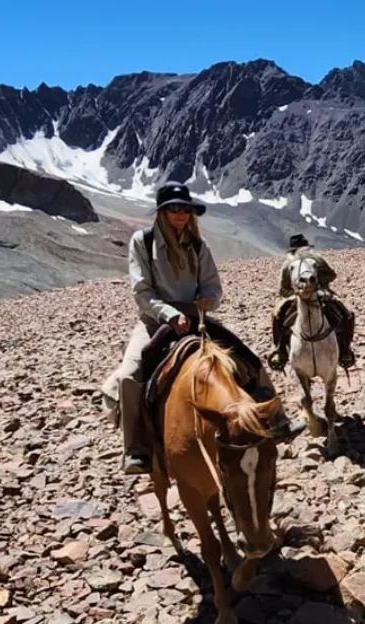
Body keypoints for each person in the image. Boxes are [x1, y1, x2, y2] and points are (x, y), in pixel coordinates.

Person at [101, 182, 276, 475]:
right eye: (174, 209)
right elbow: (142, 292)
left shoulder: (198, 244)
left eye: (186, 209)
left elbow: (213, 285)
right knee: (131, 375)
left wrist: (209, 299)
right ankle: (136, 449)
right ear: (162, 212)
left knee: (247, 356)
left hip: (197, 318)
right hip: (155, 321)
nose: (181, 214)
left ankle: (272, 418)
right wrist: (169, 314)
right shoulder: (142, 242)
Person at [269, 233, 356, 371]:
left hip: (307, 294)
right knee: (347, 313)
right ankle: (345, 349)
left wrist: (304, 289)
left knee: (277, 315)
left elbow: (282, 289)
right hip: (312, 294)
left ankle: (280, 351)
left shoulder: (293, 262)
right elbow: (332, 274)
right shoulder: (312, 259)